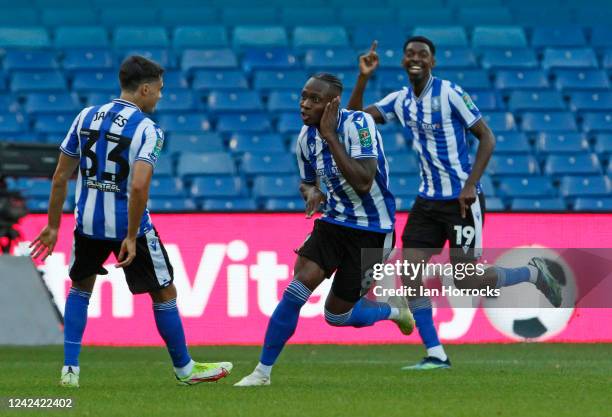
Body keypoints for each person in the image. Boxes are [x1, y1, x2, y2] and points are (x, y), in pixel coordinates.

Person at [348, 37, 563, 370]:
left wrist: (470, 184)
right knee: (410, 274)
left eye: (422, 54)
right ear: (403, 62)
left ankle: (533, 273)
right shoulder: (400, 101)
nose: (415, 58)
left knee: (466, 280)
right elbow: (356, 118)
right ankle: (436, 354)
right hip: (427, 201)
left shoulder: (450, 94)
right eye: (410, 54)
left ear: (432, 62)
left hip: (462, 201)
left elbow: (487, 136)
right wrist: (363, 77)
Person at [29, 55, 232, 388]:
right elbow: (138, 185)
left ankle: (70, 369)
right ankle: (185, 369)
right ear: (145, 89)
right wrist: (131, 234)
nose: (160, 97)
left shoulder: (85, 116)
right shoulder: (148, 129)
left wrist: (53, 226)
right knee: (164, 292)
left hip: (88, 224)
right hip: (129, 226)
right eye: (160, 90)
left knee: (81, 288)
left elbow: (60, 176)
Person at [234, 73, 414, 387]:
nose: (304, 104)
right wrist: (311, 193)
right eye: (303, 96)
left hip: (372, 231)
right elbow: (306, 181)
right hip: (332, 224)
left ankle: (391, 310)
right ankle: (262, 373)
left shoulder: (358, 125)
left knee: (337, 316)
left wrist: (330, 136)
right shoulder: (305, 138)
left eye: (314, 99)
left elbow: (363, 181)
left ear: (332, 103)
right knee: (296, 290)